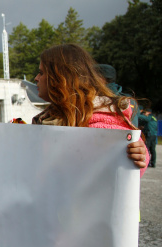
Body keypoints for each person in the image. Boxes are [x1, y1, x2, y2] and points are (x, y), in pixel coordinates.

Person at [33, 44, 149, 174]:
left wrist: (138, 153)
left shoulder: (100, 123)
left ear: (62, 79)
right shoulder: (52, 116)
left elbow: (129, 155)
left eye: (42, 73)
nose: (36, 78)